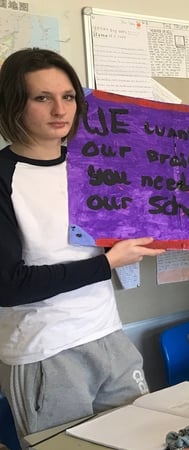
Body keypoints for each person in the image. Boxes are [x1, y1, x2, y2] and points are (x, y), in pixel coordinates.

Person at [0, 48, 165, 436]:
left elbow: (169, 195)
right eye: (42, 98)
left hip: (108, 333)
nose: (60, 109)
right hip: (46, 350)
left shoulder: (94, 162)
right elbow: (8, 285)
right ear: (14, 104)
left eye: (68, 96)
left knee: (141, 439)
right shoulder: (4, 178)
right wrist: (105, 265)